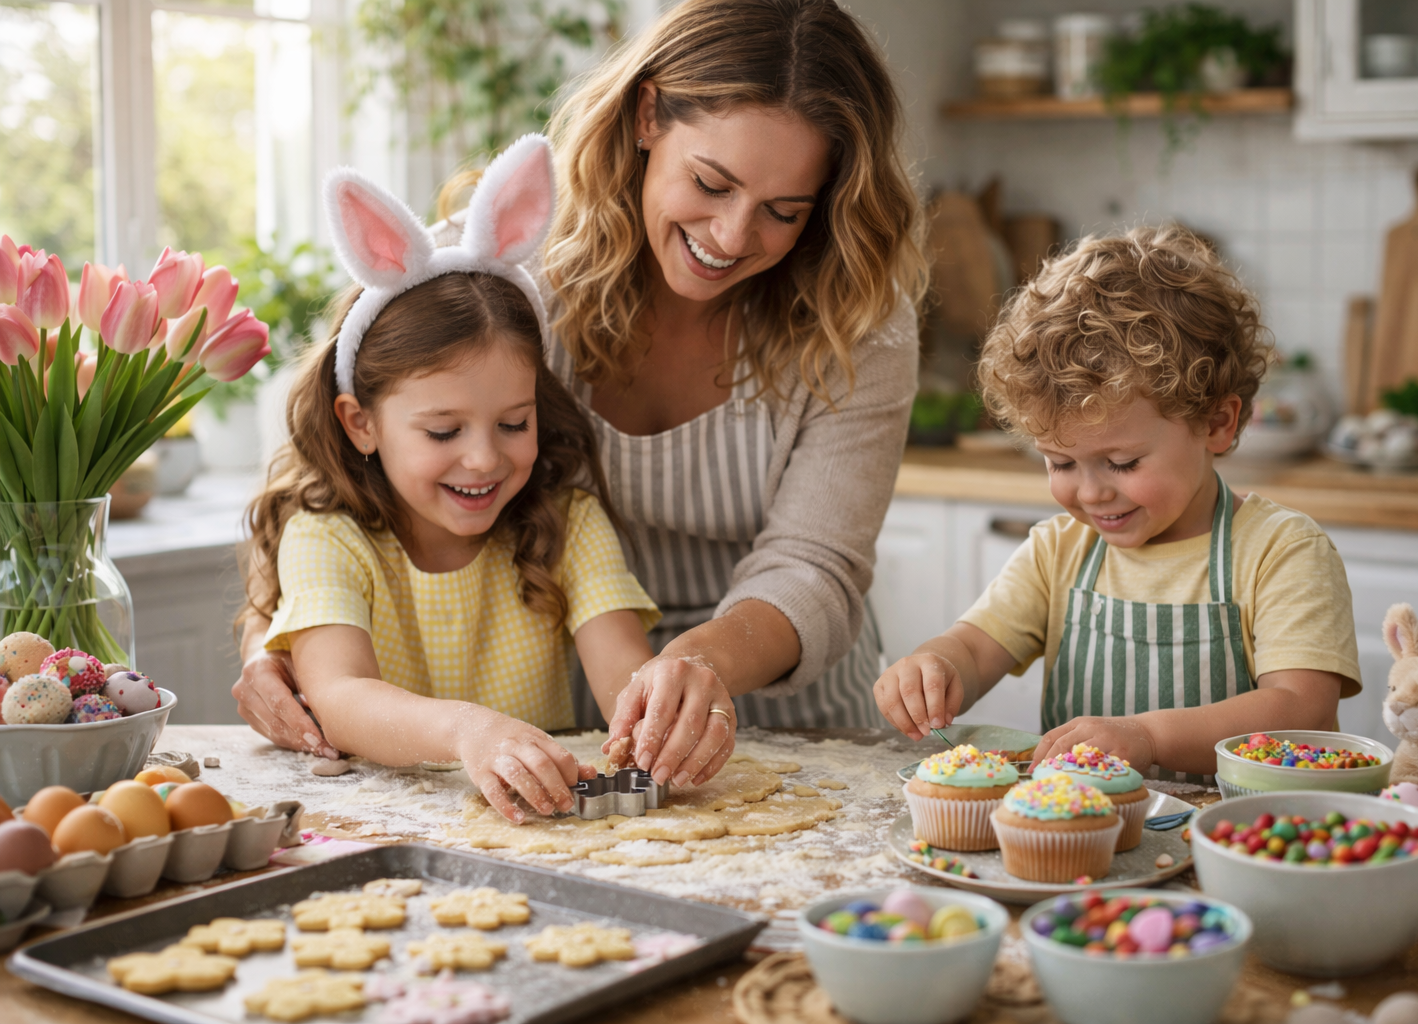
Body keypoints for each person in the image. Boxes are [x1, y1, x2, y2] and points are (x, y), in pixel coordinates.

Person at [234, 0, 926, 786]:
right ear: (647, 114)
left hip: (801, 712)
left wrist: (697, 660)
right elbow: (325, 472)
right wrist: (271, 640)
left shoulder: (858, 319)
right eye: (710, 182)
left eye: (783, 212)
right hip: (586, 719)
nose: (733, 237)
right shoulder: (508, 267)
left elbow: (816, 564)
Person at [242, 139, 661, 821]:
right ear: (361, 424)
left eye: (513, 422)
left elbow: (626, 684)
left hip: (538, 836)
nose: (484, 460)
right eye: (444, 432)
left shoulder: (568, 523)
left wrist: (656, 716)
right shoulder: (327, 539)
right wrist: (471, 731)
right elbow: (341, 696)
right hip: (375, 835)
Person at [873, 226, 1361, 781]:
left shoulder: (1280, 551)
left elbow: (1303, 710)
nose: (1090, 493)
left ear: (1217, 424)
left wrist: (1148, 737)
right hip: (1079, 844)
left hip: (1223, 844)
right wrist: (934, 667)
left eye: (1123, 463)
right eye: (1060, 463)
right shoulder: (1059, 551)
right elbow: (975, 647)